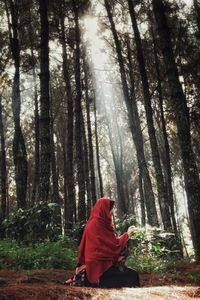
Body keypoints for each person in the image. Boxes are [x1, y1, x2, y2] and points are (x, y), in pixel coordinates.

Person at [66, 197, 140, 288]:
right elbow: (113, 246)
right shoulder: (97, 224)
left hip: (100, 265)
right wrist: (127, 235)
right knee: (132, 276)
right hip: (98, 267)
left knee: (132, 274)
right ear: (104, 210)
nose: (112, 212)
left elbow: (111, 243)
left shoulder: (99, 223)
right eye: (110, 210)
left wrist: (126, 236)